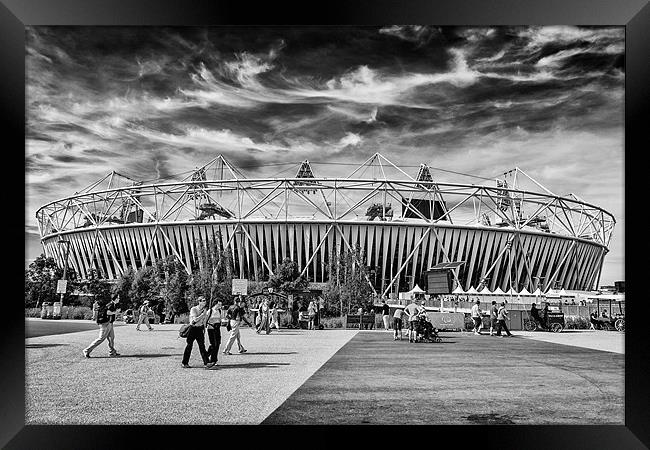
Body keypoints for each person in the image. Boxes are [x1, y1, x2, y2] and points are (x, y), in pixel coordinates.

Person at [181, 296, 210, 368]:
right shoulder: (194, 309)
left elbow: (204, 320)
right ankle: (184, 363)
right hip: (192, 329)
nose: (205, 302)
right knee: (189, 345)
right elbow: (194, 320)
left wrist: (205, 323)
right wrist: (202, 315)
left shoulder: (205, 310)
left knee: (202, 346)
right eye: (203, 300)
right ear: (199, 302)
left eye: (205, 300)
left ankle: (206, 363)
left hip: (200, 329)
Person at [205, 300, 223, 369]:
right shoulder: (210, 311)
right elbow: (206, 320)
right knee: (213, 344)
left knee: (217, 344)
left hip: (217, 329)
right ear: (215, 304)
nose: (220, 306)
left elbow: (220, 319)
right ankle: (207, 356)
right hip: (211, 329)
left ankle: (214, 360)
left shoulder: (219, 311)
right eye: (219, 304)